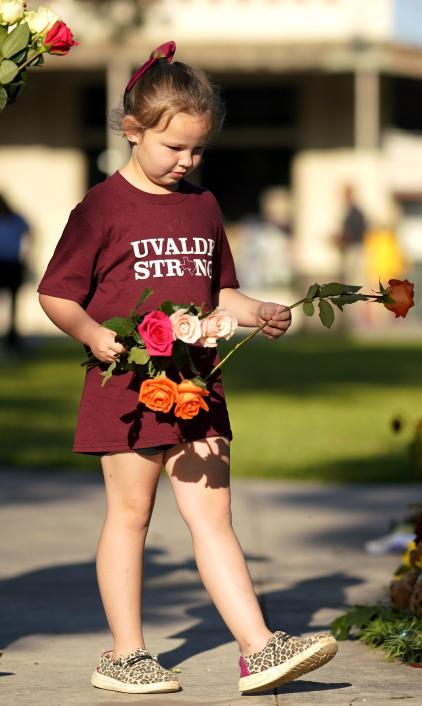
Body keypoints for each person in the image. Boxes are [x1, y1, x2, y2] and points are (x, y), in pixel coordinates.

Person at [36, 42, 337, 696]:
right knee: (131, 516)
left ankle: (259, 648)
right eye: (174, 147)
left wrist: (257, 311)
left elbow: (219, 291)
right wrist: (91, 333)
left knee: (213, 516)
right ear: (132, 130)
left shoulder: (203, 206)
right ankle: (125, 655)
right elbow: (56, 293)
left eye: (198, 150)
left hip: (197, 383)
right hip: (128, 387)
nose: (187, 161)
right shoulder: (101, 208)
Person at [0, 192, 30, 351]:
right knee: (12, 303)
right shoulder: (16, 219)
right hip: (8, 264)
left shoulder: (16, 219)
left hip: (12, 264)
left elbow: (30, 234)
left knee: (13, 303)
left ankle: (12, 338)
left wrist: (26, 256)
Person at [334, 184, 366, 284]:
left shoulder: (355, 212)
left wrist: (346, 236)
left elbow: (357, 228)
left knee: (353, 275)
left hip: (354, 245)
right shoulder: (347, 210)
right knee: (347, 274)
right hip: (348, 246)